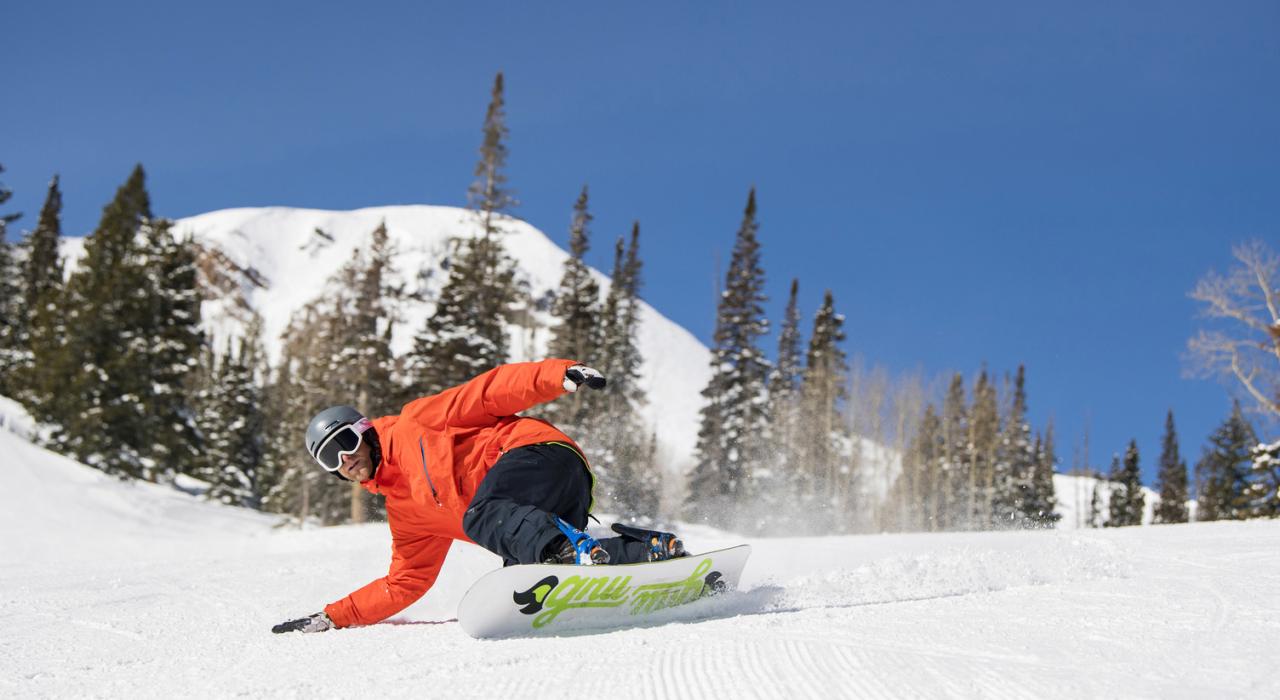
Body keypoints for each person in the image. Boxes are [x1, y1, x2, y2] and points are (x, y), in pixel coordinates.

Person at [272, 358, 686, 634]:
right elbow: (404, 583)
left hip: (537, 455)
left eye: (345, 443)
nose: (345, 460)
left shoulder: (418, 421)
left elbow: (488, 392)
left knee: (482, 515)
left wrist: (557, 375)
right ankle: (646, 552)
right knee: (527, 580)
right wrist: (332, 617)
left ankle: (567, 551)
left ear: (363, 430)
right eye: (330, 459)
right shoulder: (406, 515)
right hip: (543, 509)